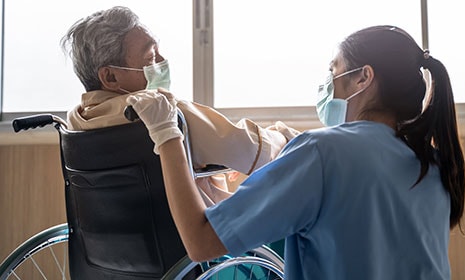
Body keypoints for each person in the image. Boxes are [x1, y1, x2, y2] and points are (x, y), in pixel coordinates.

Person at [127, 25, 465, 279]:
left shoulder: (323, 151)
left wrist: (167, 134)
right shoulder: (432, 162)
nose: (327, 83)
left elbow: (201, 243)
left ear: (364, 78)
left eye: (333, 71)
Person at [60, 6, 300, 203]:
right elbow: (254, 153)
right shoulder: (166, 115)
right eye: (151, 57)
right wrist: (281, 133)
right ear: (111, 77)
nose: (163, 62)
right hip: (199, 248)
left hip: (116, 252)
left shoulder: (77, 122)